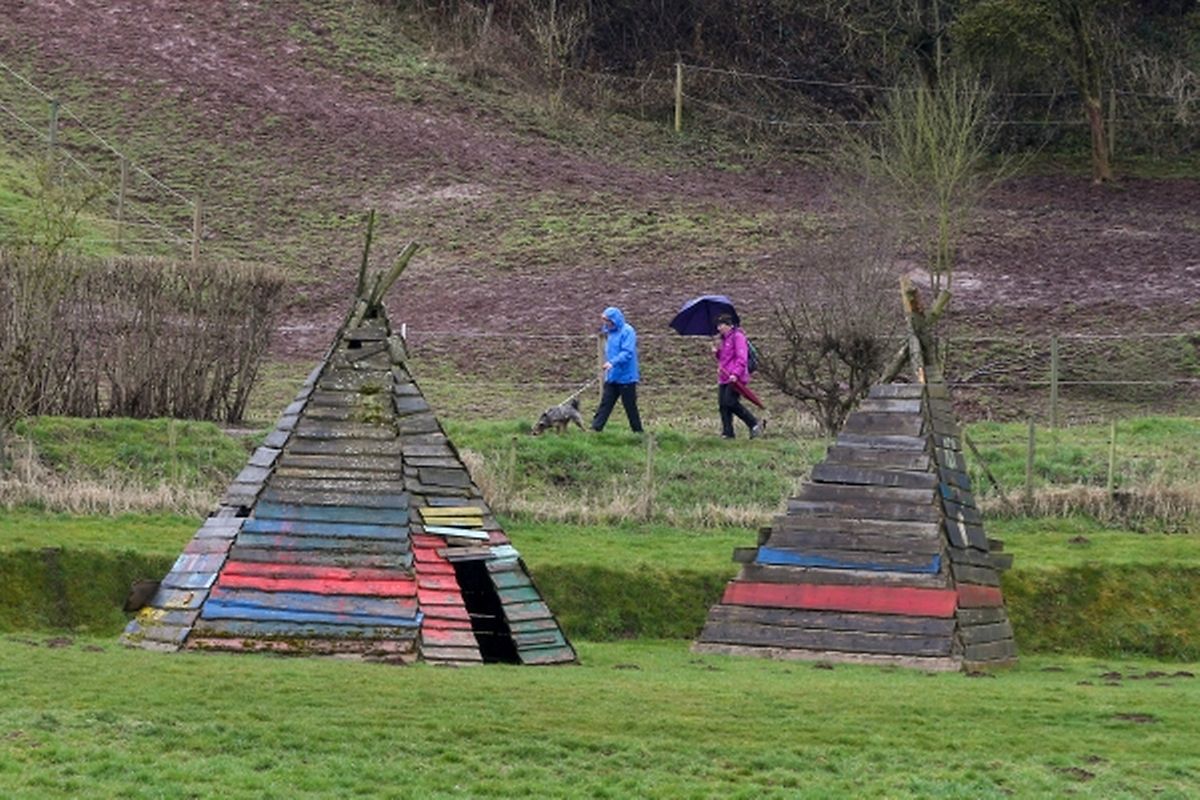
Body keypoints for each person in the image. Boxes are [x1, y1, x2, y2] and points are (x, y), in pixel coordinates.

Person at [591, 306, 643, 433]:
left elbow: (627, 353)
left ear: (615, 320)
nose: (606, 323)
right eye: (604, 320)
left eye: (608, 320)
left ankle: (638, 432)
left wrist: (612, 362)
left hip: (626, 376)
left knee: (630, 406)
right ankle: (595, 429)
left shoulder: (628, 331)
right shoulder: (610, 331)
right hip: (613, 375)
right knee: (605, 403)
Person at [713, 313, 763, 439]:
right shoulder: (723, 340)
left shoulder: (738, 337)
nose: (719, 328)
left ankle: (754, 423)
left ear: (729, 325)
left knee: (730, 402)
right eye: (718, 326)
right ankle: (728, 433)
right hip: (724, 376)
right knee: (723, 405)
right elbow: (724, 358)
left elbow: (742, 358)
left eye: (721, 325)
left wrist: (735, 374)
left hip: (735, 377)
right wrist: (717, 352)